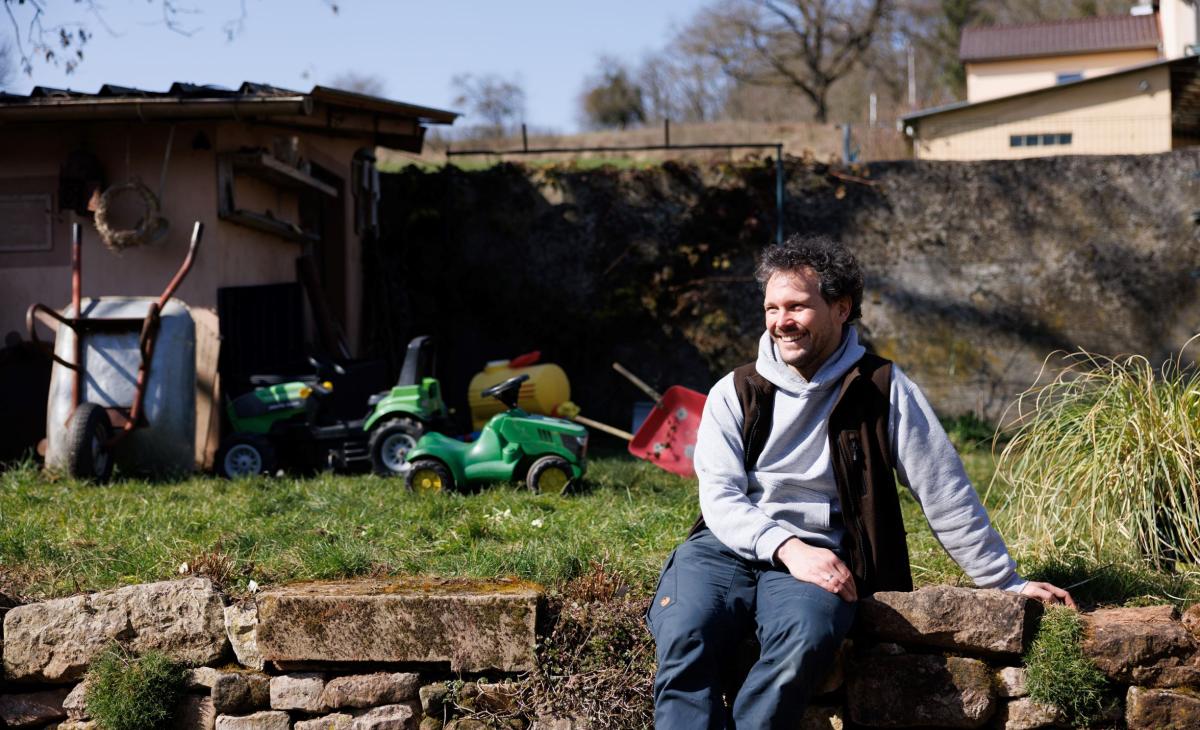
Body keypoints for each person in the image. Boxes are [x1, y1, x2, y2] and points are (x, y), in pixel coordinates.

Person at [647, 234, 1074, 728]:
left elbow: (944, 491)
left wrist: (1006, 582)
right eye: (771, 307)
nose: (781, 321)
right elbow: (720, 499)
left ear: (841, 307)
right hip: (726, 546)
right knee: (685, 629)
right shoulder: (736, 390)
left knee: (804, 639)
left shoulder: (884, 389)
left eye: (797, 306)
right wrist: (786, 547)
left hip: (823, 552)